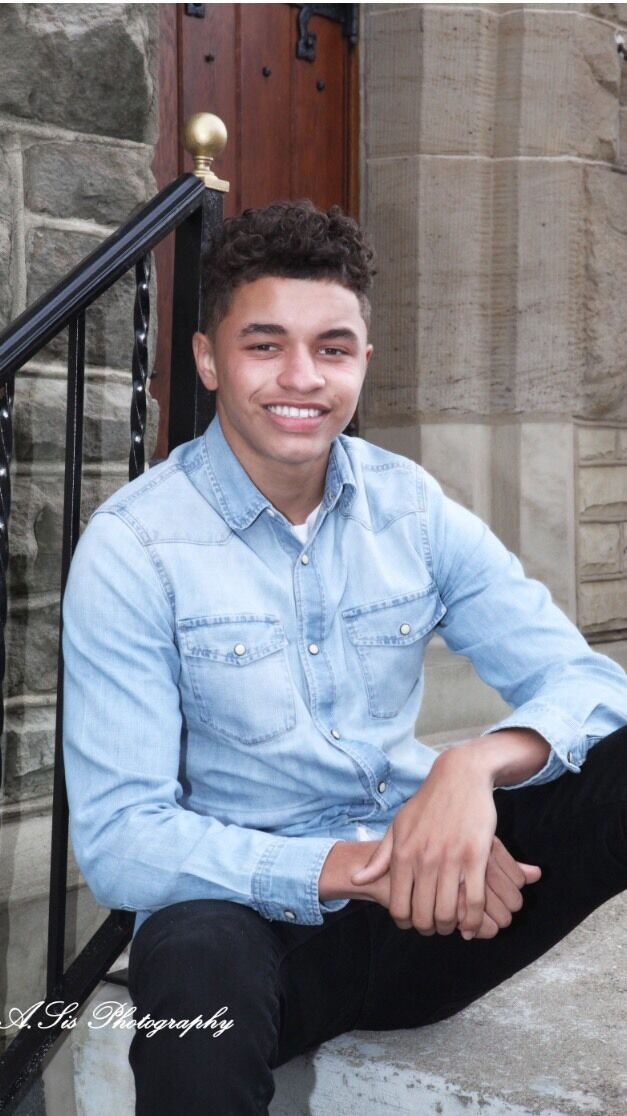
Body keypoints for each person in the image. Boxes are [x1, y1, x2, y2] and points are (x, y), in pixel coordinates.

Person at [62, 200, 627, 1115]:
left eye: (331, 348)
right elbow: (124, 841)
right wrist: (373, 863)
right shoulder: (136, 548)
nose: (301, 377)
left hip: (440, 919)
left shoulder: (411, 507)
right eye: (264, 345)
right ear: (207, 359)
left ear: (364, 359)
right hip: (260, 933)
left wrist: (471, 770)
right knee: (192, 966)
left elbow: (588, 684)